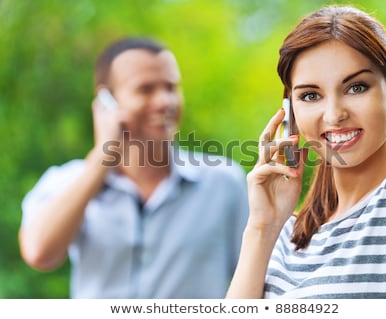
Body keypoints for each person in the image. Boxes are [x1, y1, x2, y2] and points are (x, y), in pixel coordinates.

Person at [227, 5, 386, 299]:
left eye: (356, 87)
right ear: (290, 111)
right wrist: (262, 226)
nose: (333, 115)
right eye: (310, 95)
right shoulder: (286, 232)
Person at [19, 37, 249, 298]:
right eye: (146, 89)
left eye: (171, 88)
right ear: (106, 101)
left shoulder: (223, 182)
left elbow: (255, 277)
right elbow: (40, 253)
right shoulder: (67, 181)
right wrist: (101, 159)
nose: (165, 101)